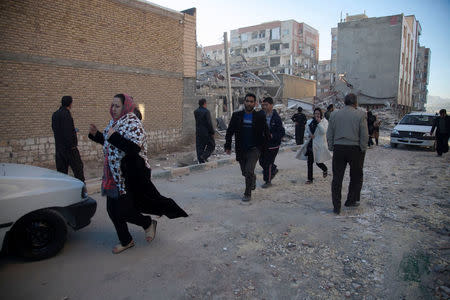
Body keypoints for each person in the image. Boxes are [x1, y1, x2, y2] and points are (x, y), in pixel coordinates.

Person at [89, 94, 188, 254]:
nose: (113, 109)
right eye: (112, 105)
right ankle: (126, 241)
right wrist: (97, 135)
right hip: (113, 175)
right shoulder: (114, 122)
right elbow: (110, 143)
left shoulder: (133, 123)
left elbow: (133, 148)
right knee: (112, 210)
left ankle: (147, 223)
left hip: (130, 176)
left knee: (125, 210)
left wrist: (113, 136)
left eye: (117, 106)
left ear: (125, 107)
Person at [326, 93, 368, 215]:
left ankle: (336, 206)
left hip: (339, 148)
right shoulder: (361, 115)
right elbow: (364, 135)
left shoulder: (334, 114)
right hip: (355, 149)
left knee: (337, 178)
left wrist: (331, 146)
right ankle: (351, 200)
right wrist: (363, 148)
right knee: (356, 176)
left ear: (344, 102)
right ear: (355, 103)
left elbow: (330, 133)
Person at [225, 93, 270, 202]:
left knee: (249, 170)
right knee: (244, 172)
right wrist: (228, 145)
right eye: (247, 101)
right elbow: (230, 131)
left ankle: (247, 193)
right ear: (244, 102)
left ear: (255, 103)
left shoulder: (259, 116)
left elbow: (266, 131)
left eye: (251, 101)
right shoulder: (237, 116)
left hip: (254, 148)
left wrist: (266, 147)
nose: (249, 103)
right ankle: (252, 178)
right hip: (241, 149)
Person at [51, 95, 85, 182]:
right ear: (70, 104)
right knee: (78, 171)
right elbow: (67, 132)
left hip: (59, 149)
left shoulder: (55, 114)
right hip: (69, 149)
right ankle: (81, 192)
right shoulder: (66, 114)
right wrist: (72, 145)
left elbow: (55, 129)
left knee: (62, 174)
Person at [296, 107, 331, 184]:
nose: (317, 115)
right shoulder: (310, 122)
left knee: (318, 161)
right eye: (315, 113)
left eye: (318, 114)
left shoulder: (324, 122)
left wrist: (318, 123)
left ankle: (324, 169)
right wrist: (309, 135)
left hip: (319, 144)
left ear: (321, 114)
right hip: (311, 144)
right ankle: (310, 179)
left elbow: (323, 132)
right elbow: (306, 131)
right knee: (309, 162)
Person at [259, 97, 285, 188]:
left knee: (268, 163)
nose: (264, 106)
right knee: (261, 161)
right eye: (263, 105)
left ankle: (268, 181)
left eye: (266, 105)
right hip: (263, 143)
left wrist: (272, 136)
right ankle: (273, 169)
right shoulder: (261, 114)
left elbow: (282, 132)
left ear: (271, 105)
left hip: (273, 144)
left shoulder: (276, 118)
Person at [194, 99, 215, 163]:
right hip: (206, 132)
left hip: (198, 132)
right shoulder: (206, 111)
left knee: (200, 147)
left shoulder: (196, 111)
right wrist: (212, 132)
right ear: (204, 103)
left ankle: (201, 161)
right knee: (212, 145)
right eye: (206, 103)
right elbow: (209, 123)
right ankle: (204, 156)